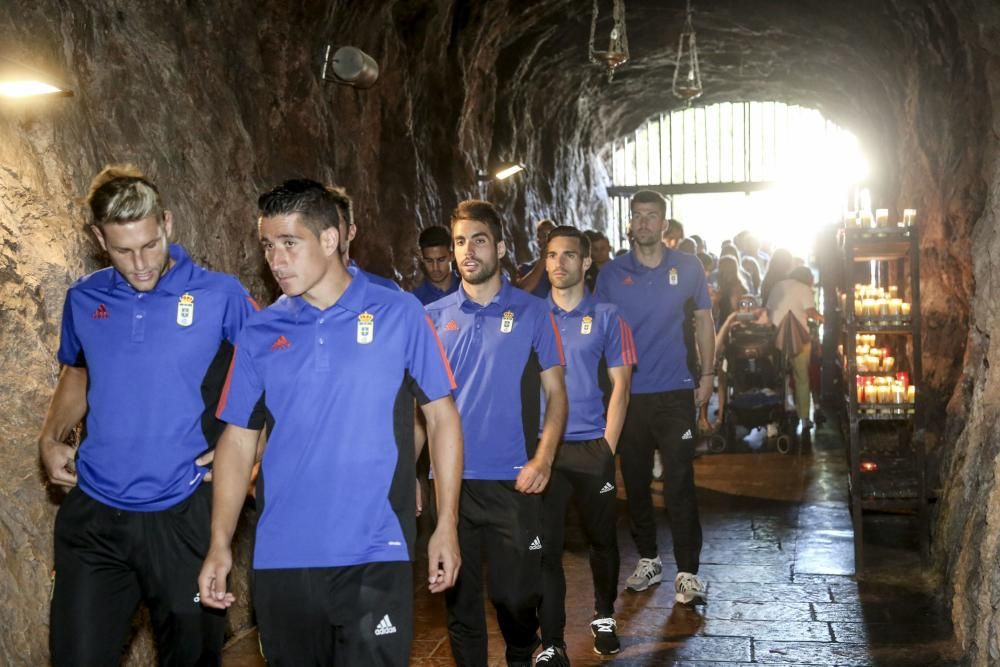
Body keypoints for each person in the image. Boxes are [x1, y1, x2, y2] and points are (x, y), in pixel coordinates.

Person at [197, 179, 463, 666]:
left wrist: (446, 524)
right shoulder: (259, 331)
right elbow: (237, 440)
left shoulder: (398, 313)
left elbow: (442, 418)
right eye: (268, 245)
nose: (276, 260)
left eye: (289, 244)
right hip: (283, 555)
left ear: (330, 240)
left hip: (376, 548)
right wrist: (219, 544)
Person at [38, 165, 257, 666]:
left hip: (183, 513)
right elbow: (77, 374)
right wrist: (50, 437)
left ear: (168, 224)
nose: (139, 263)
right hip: (95, 514)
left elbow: (271, 377)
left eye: (150, 245)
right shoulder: (84, 298)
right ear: (99, 239)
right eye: (122, 250)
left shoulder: (221, 296)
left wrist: (253, 453)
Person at [425, 200, 568, 667]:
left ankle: (522, 651)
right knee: (462, 606)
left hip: (516, 480)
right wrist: (412, 474)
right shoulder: (435, 317)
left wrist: (544, 458)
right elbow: (419, 410)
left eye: (478, 240)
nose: (467, 251)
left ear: (501, 248)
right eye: (460, 242)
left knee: (515, 597)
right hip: (452, 483)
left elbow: (556, 394)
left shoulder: (532, 312)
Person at [595, 189, 714, 605]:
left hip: (676, 391)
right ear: (630, 222)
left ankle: (687, 571)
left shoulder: (688, 266)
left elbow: (703, 321)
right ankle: (648, 558)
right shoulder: (610, 274)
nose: (644, 222)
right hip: (629, 396)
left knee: (680, 480)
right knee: (637, 482)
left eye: (652, 216)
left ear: (665, 224)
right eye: (637, 215)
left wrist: (709, 374)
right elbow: (600, 333)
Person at [534, 227, 635, 666]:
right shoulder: (531, 316)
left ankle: (604, 615)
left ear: (586, 261)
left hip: (592, 446)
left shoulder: (610, 315)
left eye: (569, 255)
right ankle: (552, 641)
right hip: (546, 453)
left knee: (601, 539)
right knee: (545, 547)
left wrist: (606, 449)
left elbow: (621, 388)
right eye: (552, 255)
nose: (559, 263)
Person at [765, 265, 823, 431]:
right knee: (802, 378)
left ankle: (778, 416)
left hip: (777, 339)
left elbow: (769, 312)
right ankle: (804, 418)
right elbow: (811, 312)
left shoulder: (778, 285)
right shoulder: (804, 288)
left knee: (779, 377)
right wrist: (824, 318)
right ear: (807, 278)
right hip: (799, 340)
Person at [412, 225, 460, 305]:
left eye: (441, 260)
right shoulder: (415, 300)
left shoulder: (470, 291)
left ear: (452, 256)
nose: (435, 268)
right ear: (422, 257)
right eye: (429, 261)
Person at [517, 218, 556, 297]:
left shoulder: (569, 266)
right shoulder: (525, 269)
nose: (547, 240)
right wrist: (544, 259)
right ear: (538, 241)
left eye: (550, 236)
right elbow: (521, 292)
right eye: (542, 236)